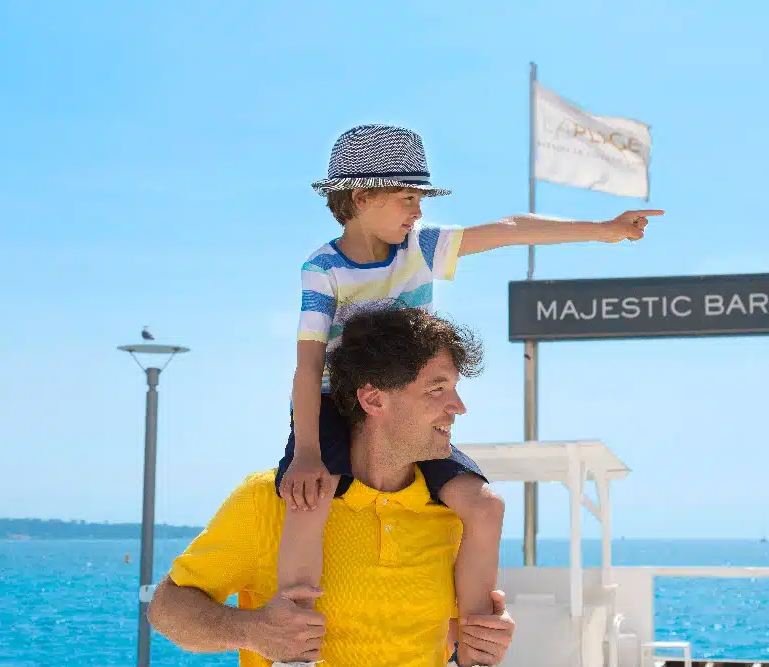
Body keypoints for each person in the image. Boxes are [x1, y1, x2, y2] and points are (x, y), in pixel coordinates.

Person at [279, 123, 662, 666]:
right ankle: (295, 651)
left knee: (484, 506)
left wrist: (604, 230)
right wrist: (308, 453)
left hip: (408, 411)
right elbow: (308, 363)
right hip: (335, 403)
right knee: (309, 499)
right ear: (360, 197)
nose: (417, 210)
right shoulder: (323, 269)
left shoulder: (421, 248)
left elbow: (510, 228)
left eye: (420, 199)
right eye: (406, 197)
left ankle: (473, 653)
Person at [147, 307, 515, 666]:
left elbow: (453, 637)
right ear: (373, 399)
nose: (459, 407)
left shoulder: (453, 514)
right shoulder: (270, 501)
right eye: (437, 389)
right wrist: (252, 631)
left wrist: (486, 640)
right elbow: (167, 608)